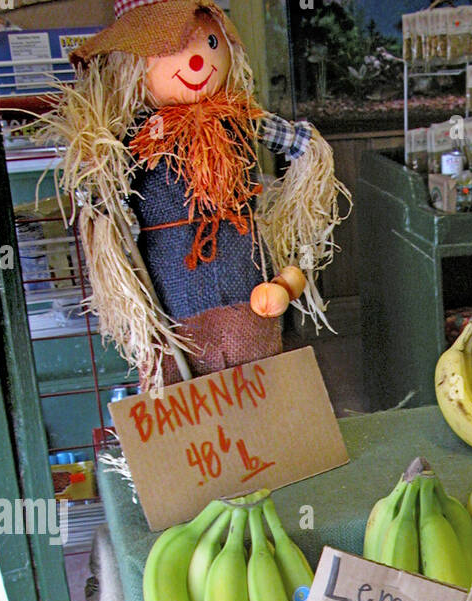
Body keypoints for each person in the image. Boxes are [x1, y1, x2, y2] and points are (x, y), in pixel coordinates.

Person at [40, 0, 349, 391]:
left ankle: (271, 435)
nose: (199, 62)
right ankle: (199, 443)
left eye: (209, 42)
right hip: (172, 275)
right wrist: (95, 182)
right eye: (169, 51)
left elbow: (299, 143)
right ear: (132, 65)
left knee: (260, 355)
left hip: (243, 263)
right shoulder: (136, 136)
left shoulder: (237, 117)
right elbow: (100, 190)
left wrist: (305, 181)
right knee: (179, 367)